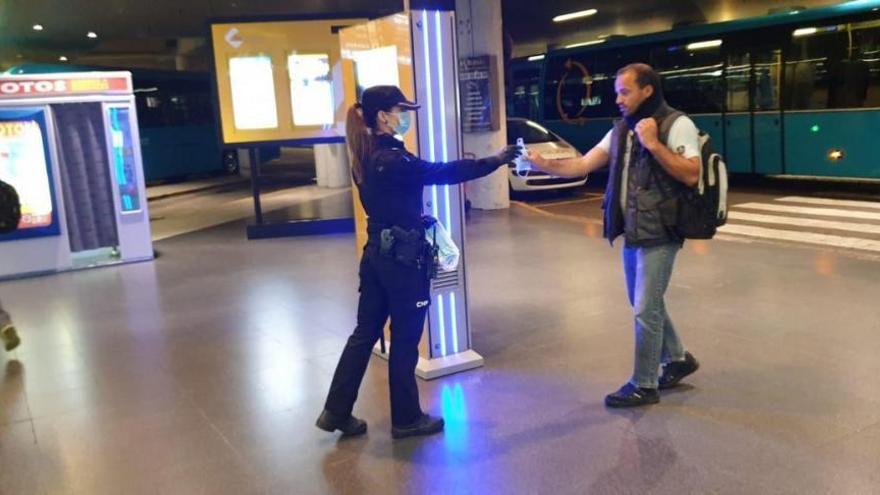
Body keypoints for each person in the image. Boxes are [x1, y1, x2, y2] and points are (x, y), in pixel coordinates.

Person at [316, 85, 520, 438]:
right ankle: (406, 419)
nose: (405, 116)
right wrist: (497, 159)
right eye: (401, 109)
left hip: (377, 255)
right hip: (403, 261)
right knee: (406, 339)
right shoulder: (394, 160)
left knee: (364, 333)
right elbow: (445, 172)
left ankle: (335, 411)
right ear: (383, 116)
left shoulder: (365, 155)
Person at [527, 63, 701, 408]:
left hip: (662, 229)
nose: (618, 99)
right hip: (633, 229)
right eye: (617, 92)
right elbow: (583, 164)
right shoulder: (622, 128)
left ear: (647, 91)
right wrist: (542, 163)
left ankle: (645, 383)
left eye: (625, 91)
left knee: (644, 309)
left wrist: (653, 144)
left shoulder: (677, 124)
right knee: (643, 304)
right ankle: (678, 358)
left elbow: (691, 174)